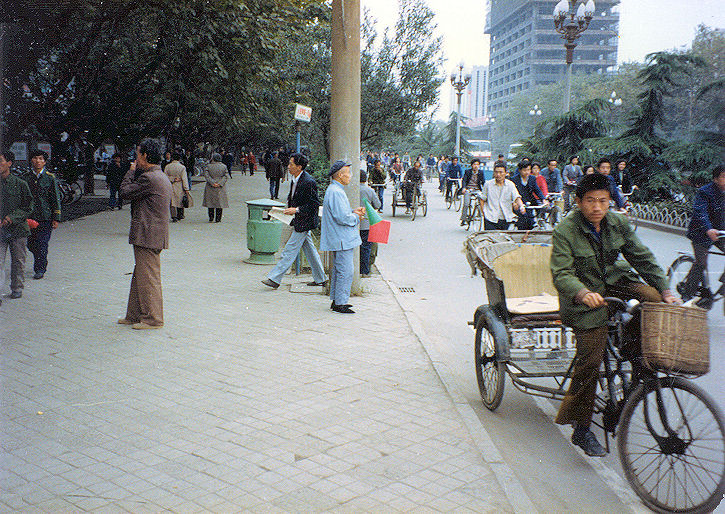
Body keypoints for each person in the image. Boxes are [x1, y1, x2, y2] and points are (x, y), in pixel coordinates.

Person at [550, 172, 677, 457]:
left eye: (603, 201)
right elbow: (561, 273)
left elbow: (642, 257)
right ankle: (581, 428)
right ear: (579, 202)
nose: (597, 207)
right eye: (590, 201)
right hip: (583, 298)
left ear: (610, 202)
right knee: (591, 359)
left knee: (652, 298)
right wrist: (582, 293)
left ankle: (637, 359)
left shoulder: (617, 222)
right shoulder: (565, 230)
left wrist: (665, 289)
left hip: (614, 281)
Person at [118, 138, 172, 329]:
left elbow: (124, 191)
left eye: (138, 154)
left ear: (146, 156)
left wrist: (130, 171)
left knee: (148, 277)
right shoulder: (159, 175)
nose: (136, 159)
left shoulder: (149, 178)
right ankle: (134, 315)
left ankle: (153, 319)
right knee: (141, 275)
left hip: (148, 235)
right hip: (151, 234)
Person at [262, 153, 327, 290]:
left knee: (289, 250)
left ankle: (275, 278)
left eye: (291, 164)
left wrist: (296, 210)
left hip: (305, 221)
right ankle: (321, 278)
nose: (289, 166)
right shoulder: (295, 179)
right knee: (310, 250)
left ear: (299, 166)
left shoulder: (309, 182)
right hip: (299, 220)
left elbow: (314, 205)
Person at [320, 160, 365, 314]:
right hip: (342, 238)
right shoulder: (336, 192)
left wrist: (353, 212)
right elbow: (342, 218)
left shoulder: (334, 190)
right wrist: (356, 217)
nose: (350, 176)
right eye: (349, 173)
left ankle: (337, 299)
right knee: (346, 271)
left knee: (340, 270)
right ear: (340, 175)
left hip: (339, 237)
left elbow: (341, 213)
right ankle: (340, 303)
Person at [679, 165, 725, 302]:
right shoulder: (705, 191)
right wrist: (708, 229)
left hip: (720, 233)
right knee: (701, 263)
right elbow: (700, 212)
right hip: (701, 232)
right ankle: (687, 295)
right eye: (724, 177)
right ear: (715, 179)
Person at [21, 149, 61, 280]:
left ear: (44, 162)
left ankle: (40, 268)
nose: (38, 161)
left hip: (45, 217)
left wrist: (56, 218)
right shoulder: (26, 177)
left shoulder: (50, 178)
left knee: (42, 243)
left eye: (41, 159)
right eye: (35, 158)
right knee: (31, 244)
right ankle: (40, 259)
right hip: (29, 217)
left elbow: (55, 199)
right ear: (31, 160)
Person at [1, 151, 33, 299]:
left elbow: (28, 207)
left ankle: (17, 288)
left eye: (1, 161)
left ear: (9, 163)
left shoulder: (20, 184)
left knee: (18, 261)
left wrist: (11, 218)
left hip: (17, 229)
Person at [479, 163, 524, 230]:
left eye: (501, 172)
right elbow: (482, 199)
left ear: (506, 173)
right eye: (496, 172)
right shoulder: (488, 184)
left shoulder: (510, 185)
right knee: (490, 238)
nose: (498, 175)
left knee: (503, 239)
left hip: (505, 217)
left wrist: (521, 206)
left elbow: (516, 197)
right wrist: (483, 212)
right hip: (490, 217)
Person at [510, 160, 546, 230]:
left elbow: (537, 190)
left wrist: (543, 199)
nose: (527, 172)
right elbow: (511, 193)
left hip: (530, 202)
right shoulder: (514, 179)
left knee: (532, 219)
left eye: (528, 170)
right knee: (523, 219)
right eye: (524, 170)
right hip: (519, 203)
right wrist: (514, 202)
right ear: (520, 170)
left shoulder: (532, 178)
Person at [359, 170, 381, 277]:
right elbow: (377, 204)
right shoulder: (369, 191)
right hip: (366, 224)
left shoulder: (349, 190)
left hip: (352, 224)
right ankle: (364, 271)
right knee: (366, 247)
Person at [203, 153, 229, 222]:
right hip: (220, 187)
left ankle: (211, 218)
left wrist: (212, 182)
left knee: (210, 203)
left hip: (210, 186)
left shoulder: (208, 166)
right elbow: (226, 176)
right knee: (220, 203)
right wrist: (220, 183)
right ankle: (218, 219)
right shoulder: (224, 166)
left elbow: (206, 176)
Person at [164, 152, 190, 222]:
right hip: (179, 185)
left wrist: (172, 179)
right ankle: (180, 214)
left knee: (172, 202)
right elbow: (184, 178)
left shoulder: (167, 166)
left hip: (170, 185)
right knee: (180, 199)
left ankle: (173, 216)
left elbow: (164, 177)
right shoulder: (182, 167)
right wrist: (186, 188)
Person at [459, 158, 485, 225]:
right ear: (472, 165)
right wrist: (464, 188)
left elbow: (483, 182)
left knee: (482, 200)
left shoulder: (481, 172)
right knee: (466, 204)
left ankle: (479, 215)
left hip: (477, 190)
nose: (476, 166)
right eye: (474, 164)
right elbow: (464, 180)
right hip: (468, 189)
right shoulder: (468, 171)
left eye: (478, 164)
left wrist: (485, 190)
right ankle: (463, 218)